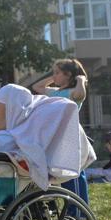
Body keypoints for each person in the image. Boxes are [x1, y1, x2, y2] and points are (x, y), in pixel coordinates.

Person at [33, 58, 90, 207]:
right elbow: (37, 86)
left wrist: (81, 80)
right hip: (57, 138)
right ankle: (69, 209)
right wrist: (54, 77)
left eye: (57, 72)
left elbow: (80, 95)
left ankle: (78, 210)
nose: (54, 75)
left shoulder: (72, 92)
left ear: (68, 74)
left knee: (74, 175)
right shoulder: (54, 92)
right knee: (63, 172)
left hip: (70, 137)